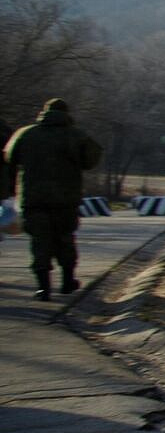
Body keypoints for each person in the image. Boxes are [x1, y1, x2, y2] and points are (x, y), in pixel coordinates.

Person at [5, 98, 103, 301]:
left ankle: (43, 288)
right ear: (66, 114)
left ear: (44, 112)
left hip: (33, 199)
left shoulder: (26, 134)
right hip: (65, 199)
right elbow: (91, 160)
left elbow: (9, 156)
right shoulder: (76, 135)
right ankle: (67, 280)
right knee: (65, 238)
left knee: (39, 241)